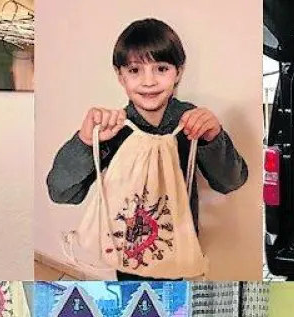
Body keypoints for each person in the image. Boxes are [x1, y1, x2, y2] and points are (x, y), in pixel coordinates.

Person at [46, 18, 247, 280]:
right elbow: (61, 192)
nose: (148, 81)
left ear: (179, 72)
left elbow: (231, 181)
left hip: (178, 253)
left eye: (161, 68)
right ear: (120, 75)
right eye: (134, 70)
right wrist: (85, 141)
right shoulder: (113, 129)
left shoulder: (191, 124)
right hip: (125, 256)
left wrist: (213, 136)